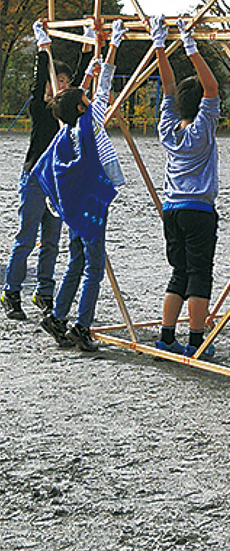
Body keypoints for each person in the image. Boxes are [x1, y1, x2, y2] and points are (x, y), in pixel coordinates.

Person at [36, 20, 127, 352]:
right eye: (85, 99)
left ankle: (58, 316)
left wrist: (91, 67)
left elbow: (79, 95)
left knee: (76, 261)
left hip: (74, 208)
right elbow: (103, 89)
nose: (90, 100)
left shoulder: (67, 129)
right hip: (90, 206)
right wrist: (113, 46)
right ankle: (81, 326)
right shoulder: (91, 121)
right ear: (81, 107)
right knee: (93, 267)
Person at [152, 15, 221, 358]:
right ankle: (196, 342)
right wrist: (190, 46)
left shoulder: (169, 128)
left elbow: (167, 85)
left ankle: (166, 336)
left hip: (172, 209)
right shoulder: (202, 128)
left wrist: (160, 44)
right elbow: (212, 89)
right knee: (199, 275)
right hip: (198, 209)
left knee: (179, 271)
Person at [1, 19, 77, 320]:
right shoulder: (40, 108)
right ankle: (11, 291)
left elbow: (79, 86)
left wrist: (87, 50)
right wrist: (43, 49)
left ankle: (44, 292)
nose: (60, 85)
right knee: (26, 238)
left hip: (58, 182)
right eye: (55, 80)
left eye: (64, 81)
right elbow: (37, 82)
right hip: (34, 178)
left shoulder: (67, 113)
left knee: (51, 242)